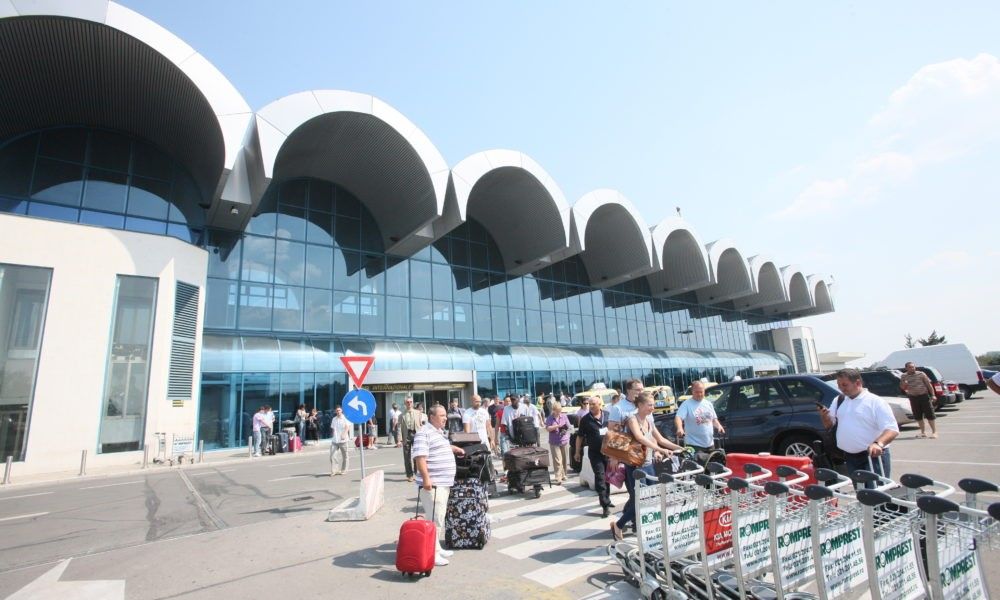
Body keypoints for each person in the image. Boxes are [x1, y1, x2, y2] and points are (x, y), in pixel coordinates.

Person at [611, 392, 683, 540]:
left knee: (654, 497)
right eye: (650, 405)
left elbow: (661, 439)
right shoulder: (632, 419)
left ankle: (648, 529)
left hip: (648, 464)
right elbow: (640, 438)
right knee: (641, 500)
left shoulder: (649, 420)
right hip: (635, 465)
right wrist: (660, 449)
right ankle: (619, 525)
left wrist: (680, 448)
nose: (653, 408)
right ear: (640, 405)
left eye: (653, 405)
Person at [818, 368, 899, 479]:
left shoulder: (875, 402)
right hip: (850, 457)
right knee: (860, 489)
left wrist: (878, 444)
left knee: (876, 489)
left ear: (858, 383)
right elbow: (829, 425)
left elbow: (892, 429)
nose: (841, 388)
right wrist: (824, 416)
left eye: (844, 385)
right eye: (839, 385)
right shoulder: (839, 400)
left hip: (873, 457)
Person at [412, 404, 466, 567]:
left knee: (439, 517)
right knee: (434, 519)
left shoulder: (438, 432)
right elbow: (420, 457)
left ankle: (436, 548)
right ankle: (432, 554)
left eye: (445, 415)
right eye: (442, 415)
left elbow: (438, 447)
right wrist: (426, 479)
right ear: (432, 417)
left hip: (443, 483)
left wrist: (453, 448)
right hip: (433, 485)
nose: (445, 418)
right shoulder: (423, 433)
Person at [576, 396, 612, 516]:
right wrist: (577, 452)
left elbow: (615, 429)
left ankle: (607, 498)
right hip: (595, 453)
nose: (590, 406)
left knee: (607, 476)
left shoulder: (608, 415)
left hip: (608, 452)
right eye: (589, 404)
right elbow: (580, 436)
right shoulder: (586, 419)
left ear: (600, 404)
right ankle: (605, 505)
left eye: (593, 404)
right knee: (600, 476)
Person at [674, 380, 725, 451]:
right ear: (692, 391)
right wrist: (680, 428)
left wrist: (719, 426)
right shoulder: (686, 404)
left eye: (701, 392)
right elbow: (678, 417)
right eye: (697, 392)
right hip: (694, 445)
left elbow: (713, 419)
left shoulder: (708, 404)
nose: (699, 394)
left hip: (710, 444)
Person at [900, 362, 938, 439]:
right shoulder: (904, 376)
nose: (912, 368)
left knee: (930, 414)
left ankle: (934, 432)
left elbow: (928, 385)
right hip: (913, 397)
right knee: (918, 416)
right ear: (906, 368)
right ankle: (923, 432)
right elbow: (903, 388)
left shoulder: (921, 374)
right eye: (910, 367)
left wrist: (933, 395)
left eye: (913, 367)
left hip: (924, 396)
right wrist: (904, 383)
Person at [399, 396, 425, 483]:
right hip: (406, 435)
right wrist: (399, 440)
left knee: (417, 455)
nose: (409, 404)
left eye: (410, 402)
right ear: (405, 403)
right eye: (407, 402)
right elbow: (399, 428)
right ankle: (409, 475)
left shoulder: (418, 413)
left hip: (416, 434)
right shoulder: (401, 415)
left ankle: (417, 473)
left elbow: (422, 424)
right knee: (407, 456)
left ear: (412, 403)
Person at [545, 403, 571, 485]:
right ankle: (558, 477)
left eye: (560, 411)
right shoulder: (550, 418)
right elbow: (547, 428)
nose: (559, 412)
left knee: (564, 459)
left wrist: (565, 429)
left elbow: (569, 426)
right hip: (554, 441)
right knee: (557, 460)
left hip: (564, 440)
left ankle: (564, 474)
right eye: (557, 411)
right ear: (553, 410)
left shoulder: (564, 416)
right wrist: (556, 426)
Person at [329, 406, 351, 476]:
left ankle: (344, 470)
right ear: (335, 411)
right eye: (337, 410)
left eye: (339, 410)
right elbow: (333, 428)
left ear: (342, 411)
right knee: (332, 456)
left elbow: (347, 427)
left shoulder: (345, 418)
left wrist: (344, 434)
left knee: (345, 456)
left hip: (343, 440)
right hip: (335, 440)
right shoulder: (334, 419)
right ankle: (334, 470)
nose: (338, 412)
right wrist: (333, 435)